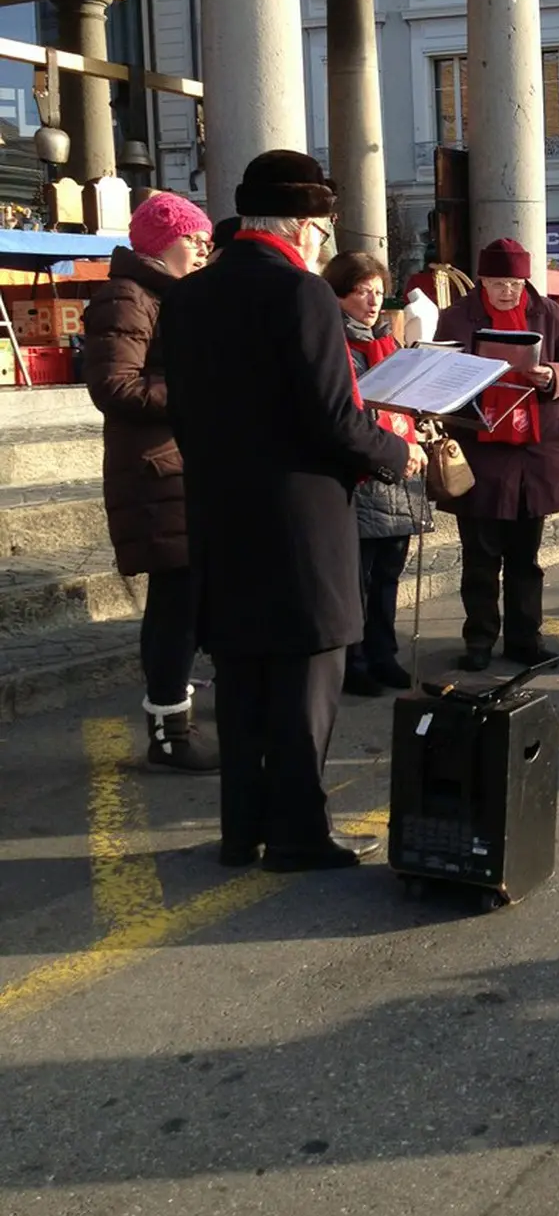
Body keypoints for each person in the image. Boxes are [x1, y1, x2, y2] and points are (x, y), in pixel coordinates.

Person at [162, 151, 422, 871]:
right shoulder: (302, 294)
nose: (323, 244)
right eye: (323, 231)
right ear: (306, 226)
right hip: (300, 525)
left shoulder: (187, 296)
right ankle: (300, 836)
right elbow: (333, 418)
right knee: (307, 687)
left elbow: (182, 415)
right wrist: (399, 455)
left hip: (221, 515)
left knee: (243, 682)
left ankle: (242, 832)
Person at [82, 192, 216, 771]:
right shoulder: (126, 295)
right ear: (165, 243)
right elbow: (114, 387)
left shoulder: (168, 295)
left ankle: (177, 712)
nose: (204, 251)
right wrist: (201, 394)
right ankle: (169, 734)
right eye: (195, 241)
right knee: (174, 604)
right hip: (158, 471)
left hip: (181, 465)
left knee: (187, 600)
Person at [435, 238, 559, 672]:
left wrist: (553, 374)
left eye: (515, 282)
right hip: (482, 452)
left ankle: (525, 639)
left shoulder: (550, 312)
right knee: (480, 560)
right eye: (499, 282)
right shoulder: (457, 317)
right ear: (482, 279)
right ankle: (479, 640)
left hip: (533, 454)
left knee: (526, 560)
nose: (508, 291)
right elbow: (444, 374)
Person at [322, 250, 420, 697]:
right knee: (356, 582)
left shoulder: (389, 342)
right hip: (362, 475)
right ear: (340, 290)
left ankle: (384, 654)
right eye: (363, 290)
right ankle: (354, 660)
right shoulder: (332, 341)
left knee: (387, 577)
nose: (373, 300)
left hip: (398, 472)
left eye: (379, 292)